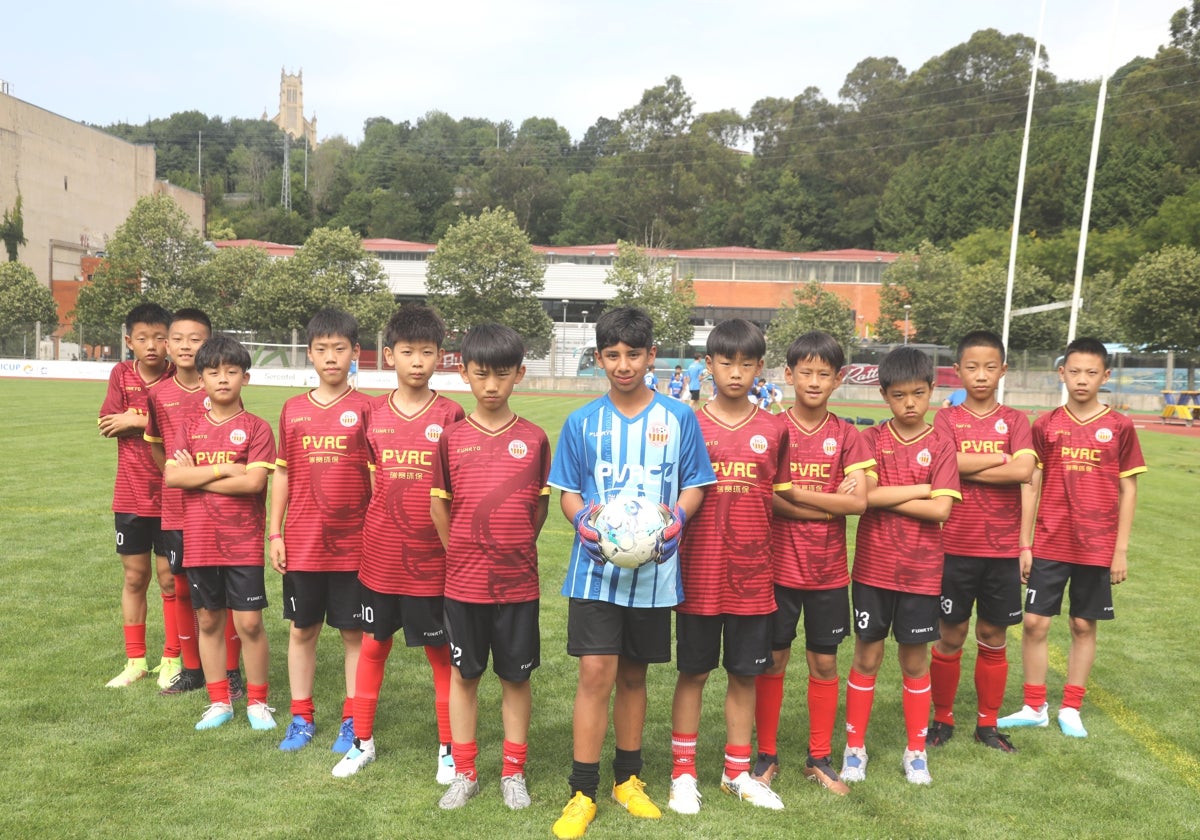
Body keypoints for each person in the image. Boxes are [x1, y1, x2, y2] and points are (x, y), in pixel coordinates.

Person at [548, 306, 715, 840]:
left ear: (650, 357)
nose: (624, 365)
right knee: (595, 672)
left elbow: (695, 483)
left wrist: (678, 519)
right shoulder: (582, 422)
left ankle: (629, 780)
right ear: (599, 359)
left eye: (634, 355)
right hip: (595, 570)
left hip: (655, 572)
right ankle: (582, 790)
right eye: (613, 355)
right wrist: (584, 524)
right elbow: (569, 495)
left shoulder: (678, 417)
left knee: (635, 675)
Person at [332, 305, 465, 782]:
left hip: (433, 561)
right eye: (407, 352)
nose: (416, 361)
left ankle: (448, 748)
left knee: (439, 654)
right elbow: (371, 482)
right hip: (380, 558)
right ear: (389, 356)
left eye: (426, 352)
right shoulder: (371, 412)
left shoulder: (451, 414)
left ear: (440, 358)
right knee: (372, 647)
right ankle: (362, 741)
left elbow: (456, 489)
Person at [667, 319, 791, 815]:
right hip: (697, 575)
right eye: (725, 362)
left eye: (746, 363)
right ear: (709, 365)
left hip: (753, 578)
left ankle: (737, 772)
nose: (735, 372)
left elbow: (779, 500)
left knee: (744, 676)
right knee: (693, 673)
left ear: (760, 368)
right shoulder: (687, 423)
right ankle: (682, 773)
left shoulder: (774, 428)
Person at [997, 338, 1146, 738]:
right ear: (1061, 373)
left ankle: (1072, 707)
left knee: (1083, 624)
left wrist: (1121, 551)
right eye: (1075, 371)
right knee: (1034, 624)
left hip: (1096, 545)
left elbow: (1128, 489)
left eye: (1092, 373)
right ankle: (1033, 706)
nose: (1082, 380)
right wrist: (1024, 543)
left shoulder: (1120, 426)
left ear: (1106, 377)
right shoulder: (1046, 425)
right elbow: (1031, 484)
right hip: (1049, 541)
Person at [430, 323, 551, 811]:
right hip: (464, 585)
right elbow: (440, 506)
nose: (492, 385)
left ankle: (512, 773)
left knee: (516, 679)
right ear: (465, 373)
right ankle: (465, 772)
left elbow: (538, 508)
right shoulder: (452, 438)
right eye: (482, 375)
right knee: (465, 676)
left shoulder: (536, 438)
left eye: (503, 375)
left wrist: (515, 545)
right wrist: (459, 549)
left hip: (517, 585)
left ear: (520, 374)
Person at [754, 331, 873, 797]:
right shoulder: (772, 430)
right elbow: (768, 500)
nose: (814, 381)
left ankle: (819, 757)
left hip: (827, 573)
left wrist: (797, 496)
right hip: (777, 569)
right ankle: (766, 755)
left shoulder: (847, 435)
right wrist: (828, 504)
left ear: (839, 379)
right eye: (806, 372)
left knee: (824, 662)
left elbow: (860, 502)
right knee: (773, 660)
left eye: (824, 373)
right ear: (788, 375)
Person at [842, 346, 961, 785]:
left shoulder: (942, 444)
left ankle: (916, 751)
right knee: (866, 656)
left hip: (922, 573)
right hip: (873, 570)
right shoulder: (869, 440)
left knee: (915, 662)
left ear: (932, 391)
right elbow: (863, 498)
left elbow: (942, 511)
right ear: (884, 396)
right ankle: (855, 748)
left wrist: (899, 495)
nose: (909, 403)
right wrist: (923, 488)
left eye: (917, 393)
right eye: (898, 395)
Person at [927, 331, 1035, 753]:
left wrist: (967, 466)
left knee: (993, 634)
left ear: (1003, 370)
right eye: (972, 366)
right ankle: (942, 718)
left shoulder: (1017, 420)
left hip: (1002, 551)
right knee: (950, 634)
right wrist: (999, 459)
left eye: (990, 366)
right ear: (958, 370)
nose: (981, 374)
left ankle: (986, 724)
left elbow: (1024, 471)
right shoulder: (946, 419)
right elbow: (943, 463)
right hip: (954, 546)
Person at [270, 309, 373, 753]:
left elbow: (377, 478)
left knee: (354, 634)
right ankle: (301, 717)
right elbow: (284, 474)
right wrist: (274, 532)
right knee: (302, 630)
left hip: (355, 546)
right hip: (304, 543)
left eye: (340, 349)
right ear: (309, 353)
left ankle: (352, 720)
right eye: (322, 349)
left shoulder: (369, 409)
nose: (331, 357)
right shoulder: (292, 410)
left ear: (354, 353)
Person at [165, 334, 276, 731]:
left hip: (243, 542)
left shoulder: (257, 429)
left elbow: (253, 485)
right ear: (202, 378)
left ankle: (258, 702)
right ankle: (218, 702)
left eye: (231, 371)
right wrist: (224, 469)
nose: (223, 379)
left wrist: (196, 477)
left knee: (248, 624)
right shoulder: (189, 427)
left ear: (245, 377)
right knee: (209, 621)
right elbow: (172, 476)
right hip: (199, 540)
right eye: (214, 372)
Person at [145, 308, 224, 695]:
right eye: (177, 339)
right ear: (167, 345)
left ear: (208, 342)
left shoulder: (220, 386)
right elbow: (157, 447)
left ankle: (230, 672)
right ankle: (191, 670)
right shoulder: (158, 393)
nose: (186, 346)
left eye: (195, 339)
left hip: (221, 511)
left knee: (219, 591)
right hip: (177, 508)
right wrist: (179, 476)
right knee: (180, 586)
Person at [99, 302, 175, 688]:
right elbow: (108, 424)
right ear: (129, 341)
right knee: (134, 577)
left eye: (160, 338)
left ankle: (172, 659)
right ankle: (135, 661)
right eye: (143, 338)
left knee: (169, 579)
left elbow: (184, 425)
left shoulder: (179, 376)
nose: (152, 345)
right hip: (129, 497)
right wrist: (137, 421)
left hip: (172, 496)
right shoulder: (120, 374)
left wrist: (135, 419)